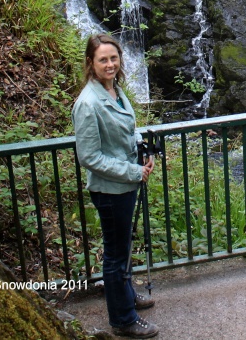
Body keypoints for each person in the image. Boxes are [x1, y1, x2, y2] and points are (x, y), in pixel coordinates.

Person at [73, 33, 159, 339]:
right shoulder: (88, 103)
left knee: (122, 247)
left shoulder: (116, 92)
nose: (110, 64)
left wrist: (142, 150)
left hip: (125, 183)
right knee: (114, 253)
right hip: (110, 189)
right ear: (90, 63)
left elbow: (128, 131)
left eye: (113, 58)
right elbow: (89, 156)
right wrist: (132, 172)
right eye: (103, 59)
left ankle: (126, 294)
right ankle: (123, 319)